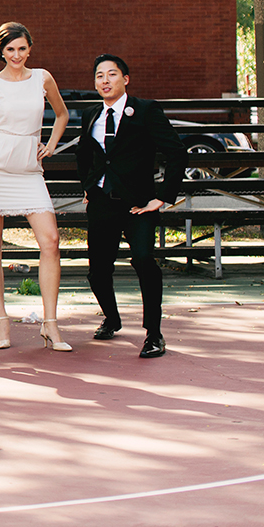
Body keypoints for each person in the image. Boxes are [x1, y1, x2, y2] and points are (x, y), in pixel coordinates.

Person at [0, 23, 72, 351]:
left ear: (30, 49)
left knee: (50, 241)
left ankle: (50, 325)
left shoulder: (43, 78)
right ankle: (2, 322)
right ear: (1, 52)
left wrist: (50, 144)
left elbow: (62, 114)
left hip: (29, 172)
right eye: (11, 50)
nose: (17, 55)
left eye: (22, 49)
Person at [75, 54, 183, 359]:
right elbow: (85, 155)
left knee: (144, 260)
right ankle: (112, 318)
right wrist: (89, 185)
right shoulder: (91, 116)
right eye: (99, 75)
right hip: (101, 203)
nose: (105, 80)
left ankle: (154, 333)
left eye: (111, 74)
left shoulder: (146, 110)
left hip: (139, 205)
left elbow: (176, 152)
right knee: (97, 272)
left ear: (126, 79)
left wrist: (162, 197)